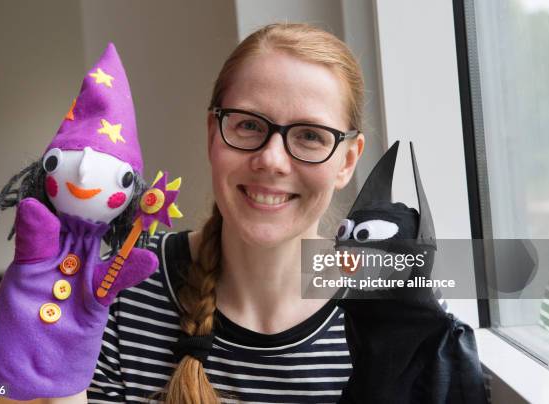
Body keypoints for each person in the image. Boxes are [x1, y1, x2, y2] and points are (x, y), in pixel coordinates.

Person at [59, 22, 366, 403]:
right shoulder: (119, 284)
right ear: (212, 133)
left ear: (347, 161)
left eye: (309, 136)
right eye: (249, 125)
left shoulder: (398, 296)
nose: (271, 160)